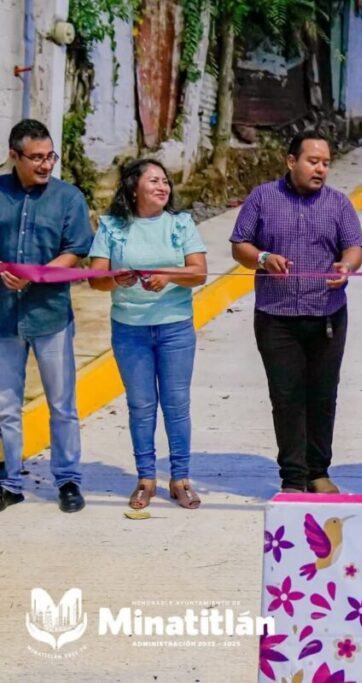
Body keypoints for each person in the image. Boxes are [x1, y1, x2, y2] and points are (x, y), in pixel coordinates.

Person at [230, 130, 362, 494]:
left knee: (323, 395)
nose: (320, 168)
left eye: (325, 163)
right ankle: (292, 478)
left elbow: (354, 247)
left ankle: (317, 472)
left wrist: (346, 267)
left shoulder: (338, 204)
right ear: (291, 161)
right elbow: (239, 244)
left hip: (327, 316)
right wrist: (262, 258)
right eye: (312, 161)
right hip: (276, 318)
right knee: (287, 397)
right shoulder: (262, 198)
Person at [88, 159, 208, 509]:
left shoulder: (181, 224)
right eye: (153, 180)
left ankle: (181, 478)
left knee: (177, 404)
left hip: (175, 327)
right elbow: (95, 279)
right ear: (133, 187)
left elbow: (198, 272)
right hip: (129, 330)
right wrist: (116, 278)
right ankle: (145, 478)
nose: (163, 186)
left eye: (165, 181)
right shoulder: (111, 227)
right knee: (141, 406)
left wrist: (169, 276)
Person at [0, 119, 93, 513]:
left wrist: (35, 276)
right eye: (36, 158)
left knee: (62, 404)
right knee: (5, 405)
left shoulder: (68, 198)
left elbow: (77, 248)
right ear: (14, 157)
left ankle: (68, 480)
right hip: (3, 319)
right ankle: (10, 481)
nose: (45, 164)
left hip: (51, 315)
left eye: (50, 156)